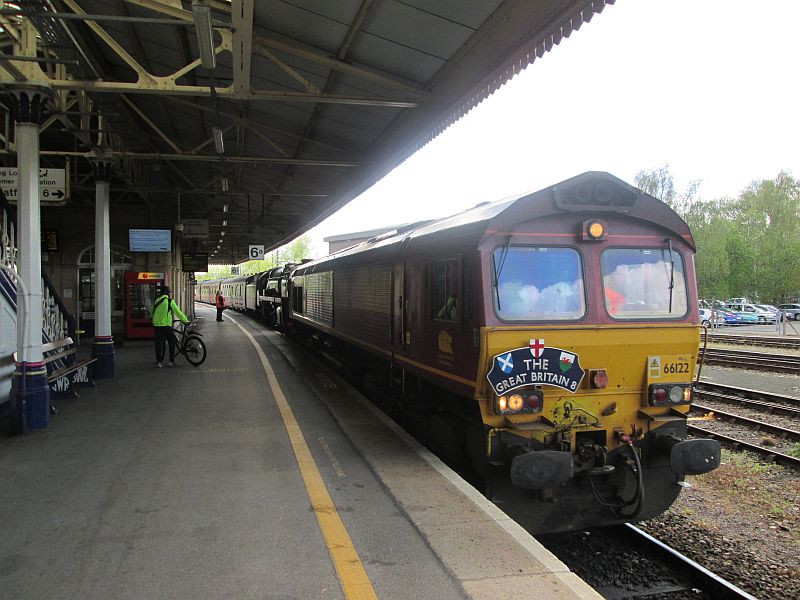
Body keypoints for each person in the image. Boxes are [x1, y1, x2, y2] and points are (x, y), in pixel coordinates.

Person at [151, 286, 190, 367]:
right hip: (165, 325)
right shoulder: (169, 301)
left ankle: (159, 362)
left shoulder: (156, 300)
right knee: (172, 342)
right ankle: (171, 361)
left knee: (158, 344)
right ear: (167, 293)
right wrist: (185, 320)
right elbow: (178, 312)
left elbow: (152, 312)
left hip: (156, 325)